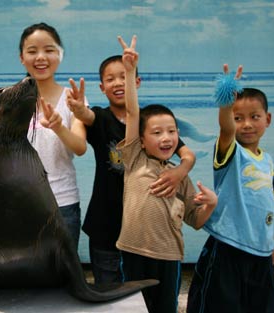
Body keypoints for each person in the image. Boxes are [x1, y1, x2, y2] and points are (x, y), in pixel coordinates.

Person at [67, 58, 196, 283]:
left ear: (136, 82)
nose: (118, 83)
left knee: (140, 293)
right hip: (106, 224)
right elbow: (87, 117)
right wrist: (79, 110)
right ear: (102, 87)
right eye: (110, 79)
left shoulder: (150, 123)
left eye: (124, 77)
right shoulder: (101, 118)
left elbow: (187, 155)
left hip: (143, 230)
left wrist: (179, 172)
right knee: (109, 294)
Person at [115, 35, 217, 313]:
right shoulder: (135, 159)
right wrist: (129, 71)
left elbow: (196, 220)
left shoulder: (179, 175)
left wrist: (211, 203)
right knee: (134, 307)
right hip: (134, 251)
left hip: (170, 256)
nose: (166, 137)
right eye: (157, 132)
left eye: (172, 131)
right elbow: (133, 111)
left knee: (165, 308)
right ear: (142, 139)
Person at [187, 65, 274, 313]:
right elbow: (226, 129)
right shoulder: (230, 152)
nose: (246, 124)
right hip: (227, 248)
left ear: (268, 119)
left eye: (255, 117)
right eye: (238, 118)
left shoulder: (268, 161)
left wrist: (270, 244)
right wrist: (226, 102)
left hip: (260, 253)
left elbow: (268, 206)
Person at [19, 22, 87, 250]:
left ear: (60, 55)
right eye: (32, 51)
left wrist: (59, 126)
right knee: (24, 278)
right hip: (21, 203)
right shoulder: (11, 101)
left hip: (63, 203)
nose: (41, 57)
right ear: (22, 58)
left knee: (62, 276)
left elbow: (80, 147)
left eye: (49, 50)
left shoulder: (72, 99)